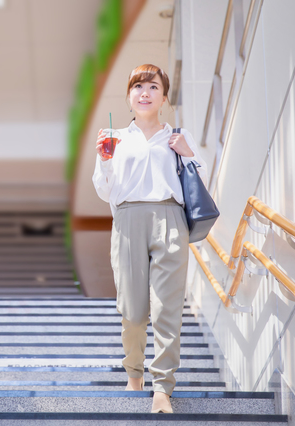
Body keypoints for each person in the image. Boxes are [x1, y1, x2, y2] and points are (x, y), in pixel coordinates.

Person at [92, 64, 208, 414]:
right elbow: (103, 191)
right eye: (138, 85)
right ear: (129, 96)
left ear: (164, 96)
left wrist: (188, 152)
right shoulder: (115, 137)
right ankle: (134, 374)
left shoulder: (177, 136)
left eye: (153, 86)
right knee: (132, 308)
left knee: (167, 307)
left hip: (170, 218)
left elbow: (201, 184)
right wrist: (105, 160)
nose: (145, 91)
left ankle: (162, 388)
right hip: (127, 220)